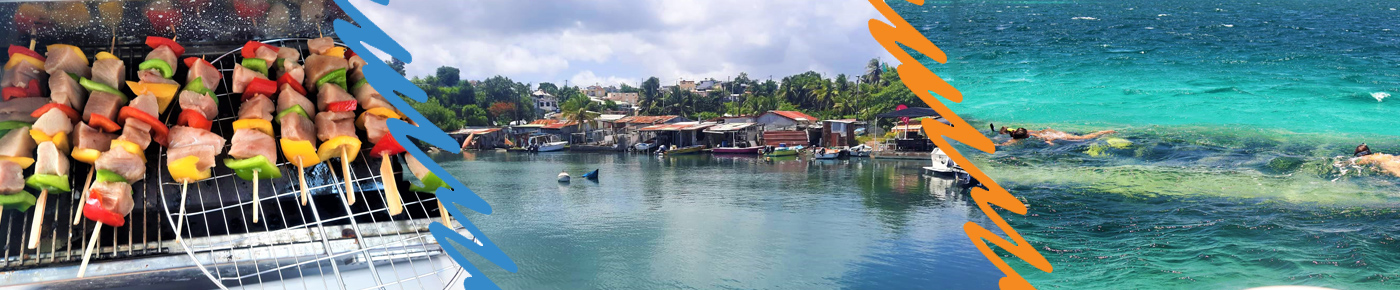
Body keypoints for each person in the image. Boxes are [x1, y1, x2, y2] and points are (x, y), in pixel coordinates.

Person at [991, 123, 1117, 146]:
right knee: (1081, 137)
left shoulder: (1020, 137)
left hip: (1055, 136)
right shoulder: (1021, 131)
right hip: (1050, 131)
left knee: (1083, 139)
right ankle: (1104, 132)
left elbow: (1004, 144)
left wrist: (1049, 142)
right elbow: (1007, 129)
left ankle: (1104, 132)